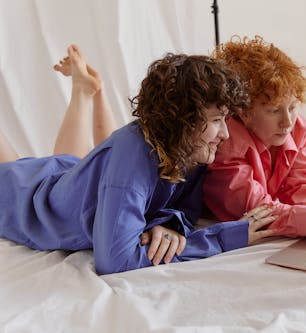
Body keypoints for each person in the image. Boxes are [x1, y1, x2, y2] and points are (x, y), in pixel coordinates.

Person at [0, 44, 276, 275]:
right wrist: (227, 237)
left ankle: (83, 92)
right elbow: (117, 261)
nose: (226, 134)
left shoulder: (192, 150)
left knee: (65, 162)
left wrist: (168, 226)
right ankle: (83, 92)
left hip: (64, 176)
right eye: (216, 120)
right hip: (16, 196)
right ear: (182, 121)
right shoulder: (134, 157)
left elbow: (184, 209)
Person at [203, 36, 306, 239]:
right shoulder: (226, 142)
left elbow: (301, 185)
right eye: (274, 110)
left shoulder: (298, 128)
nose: (287, 122)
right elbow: (259, 214)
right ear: (243, 111)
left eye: (293, 107)